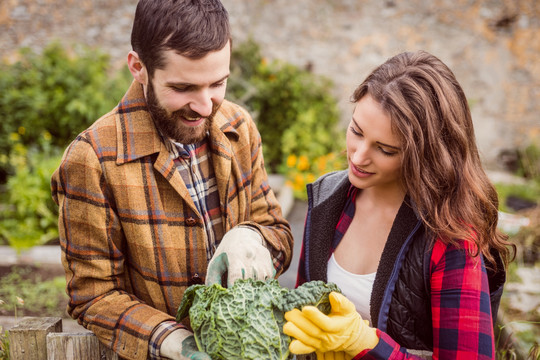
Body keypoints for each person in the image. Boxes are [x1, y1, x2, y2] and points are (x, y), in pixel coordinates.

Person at [51, 1, 293, 359]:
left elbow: (278, 232)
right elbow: (93, 296)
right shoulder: (93, 160)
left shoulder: (238, 127)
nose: (206, 106)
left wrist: (251, 237)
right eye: (183, 88)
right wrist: (175, 342)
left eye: (218, 83)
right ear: (139, 67)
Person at [283, 50, 515, 360]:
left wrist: (366, 345)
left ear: (425, 154)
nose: (358, 156)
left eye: (386, 149)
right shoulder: (327, 198)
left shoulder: (451, 237)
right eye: (356, 131)